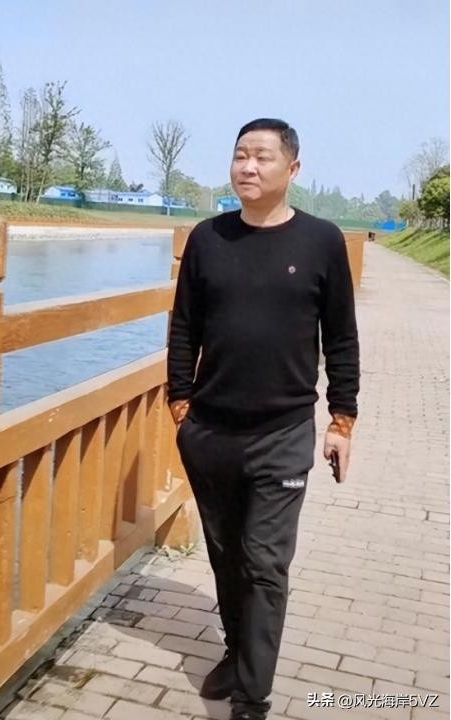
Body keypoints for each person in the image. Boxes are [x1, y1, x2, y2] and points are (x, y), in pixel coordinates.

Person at [166, 118, 360, 720]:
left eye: (263, 157)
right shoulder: (208, 238)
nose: (248, 167)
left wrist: (342, 420)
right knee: (226, 553)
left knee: (265, 563)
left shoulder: (322, 241)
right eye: (240, 155)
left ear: (292, 169)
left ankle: (253, 699)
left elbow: (342, 337)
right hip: (210, 432)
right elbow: (184, 326)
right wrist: (180, 403)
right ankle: (236, 651)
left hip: (282, 434)